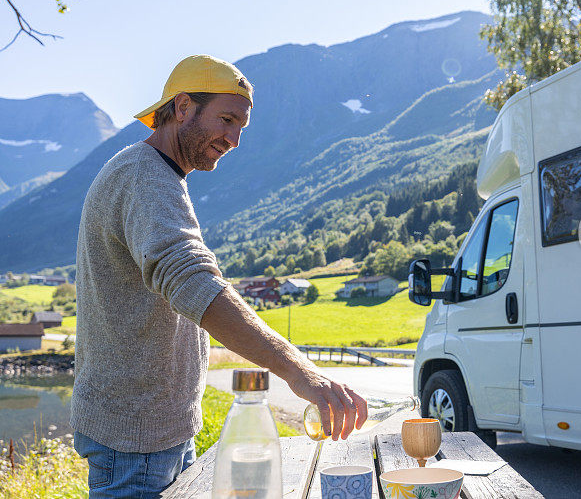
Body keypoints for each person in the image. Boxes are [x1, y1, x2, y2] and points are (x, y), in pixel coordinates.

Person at [71, 55, 367, 498]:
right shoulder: (144, 176)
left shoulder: (156, 175)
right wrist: (301, 372)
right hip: (135, 443)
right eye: (226, 120)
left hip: (154, 434)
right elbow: (192, 281)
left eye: (241, 127)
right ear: (183, 107)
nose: (233, 139)